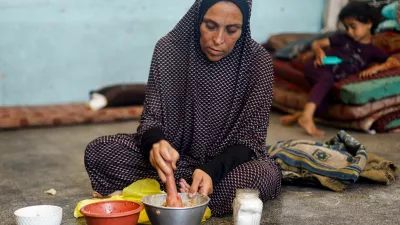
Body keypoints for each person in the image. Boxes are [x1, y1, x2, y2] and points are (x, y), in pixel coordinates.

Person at [84, 0, 282, 216]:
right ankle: (189, 199)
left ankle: (157, 198)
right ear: (197, 19)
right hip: (173, 164)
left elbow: (251, 139)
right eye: (210, 26)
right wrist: (156, 145)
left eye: (231, 30)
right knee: (100, 151)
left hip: (226, 167)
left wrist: (211, 171)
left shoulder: (258, 61)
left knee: (262, 175)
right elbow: (151, 119)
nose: (218, 40)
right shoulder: (169, 49)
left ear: (243, 28)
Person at [280, 2, 400, 136]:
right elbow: (317, 43)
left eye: (353, 26)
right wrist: (319, 52)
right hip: (318, 66)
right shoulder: (342, 38)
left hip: (332, 77)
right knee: (326, 79)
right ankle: (307, 118)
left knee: (325, 103)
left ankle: (300, 115)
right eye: (347, 27)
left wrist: (378, 68)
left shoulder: (372, 51)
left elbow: (394, 62)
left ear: (369, 23)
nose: (349, 31)